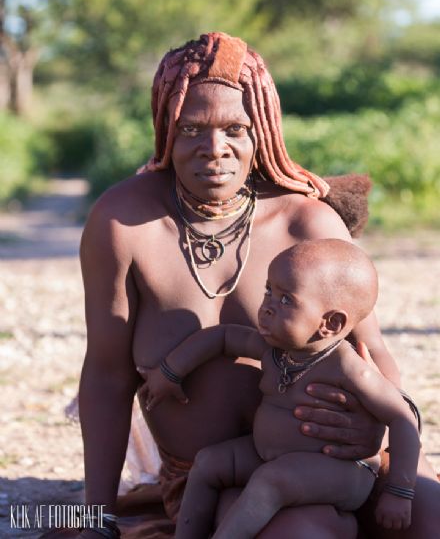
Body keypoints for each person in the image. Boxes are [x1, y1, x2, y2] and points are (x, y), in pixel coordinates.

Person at [76, 32, 439, 539]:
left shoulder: (307, 223)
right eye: (191, 129)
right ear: (165, 130)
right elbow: (108, 376)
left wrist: (377, 429)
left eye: (235, 128)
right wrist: (97, 521)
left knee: (432, 515)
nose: (214, 148)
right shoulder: (123, 222)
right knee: (301, 530)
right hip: (224, 474)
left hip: (342, 462)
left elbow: (371, 350)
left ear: (262, 132)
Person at [137, 239, 420, 538]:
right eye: (268, 291)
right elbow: (222, 337)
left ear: (331, 323)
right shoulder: (277, 351)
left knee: (271, 481)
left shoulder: (349, 369)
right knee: (208, 463)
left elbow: (403, 419)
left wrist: (400, 492)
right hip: (270, 455)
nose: (268, 307)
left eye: (286, 300)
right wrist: (171, 370)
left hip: (340, 473)